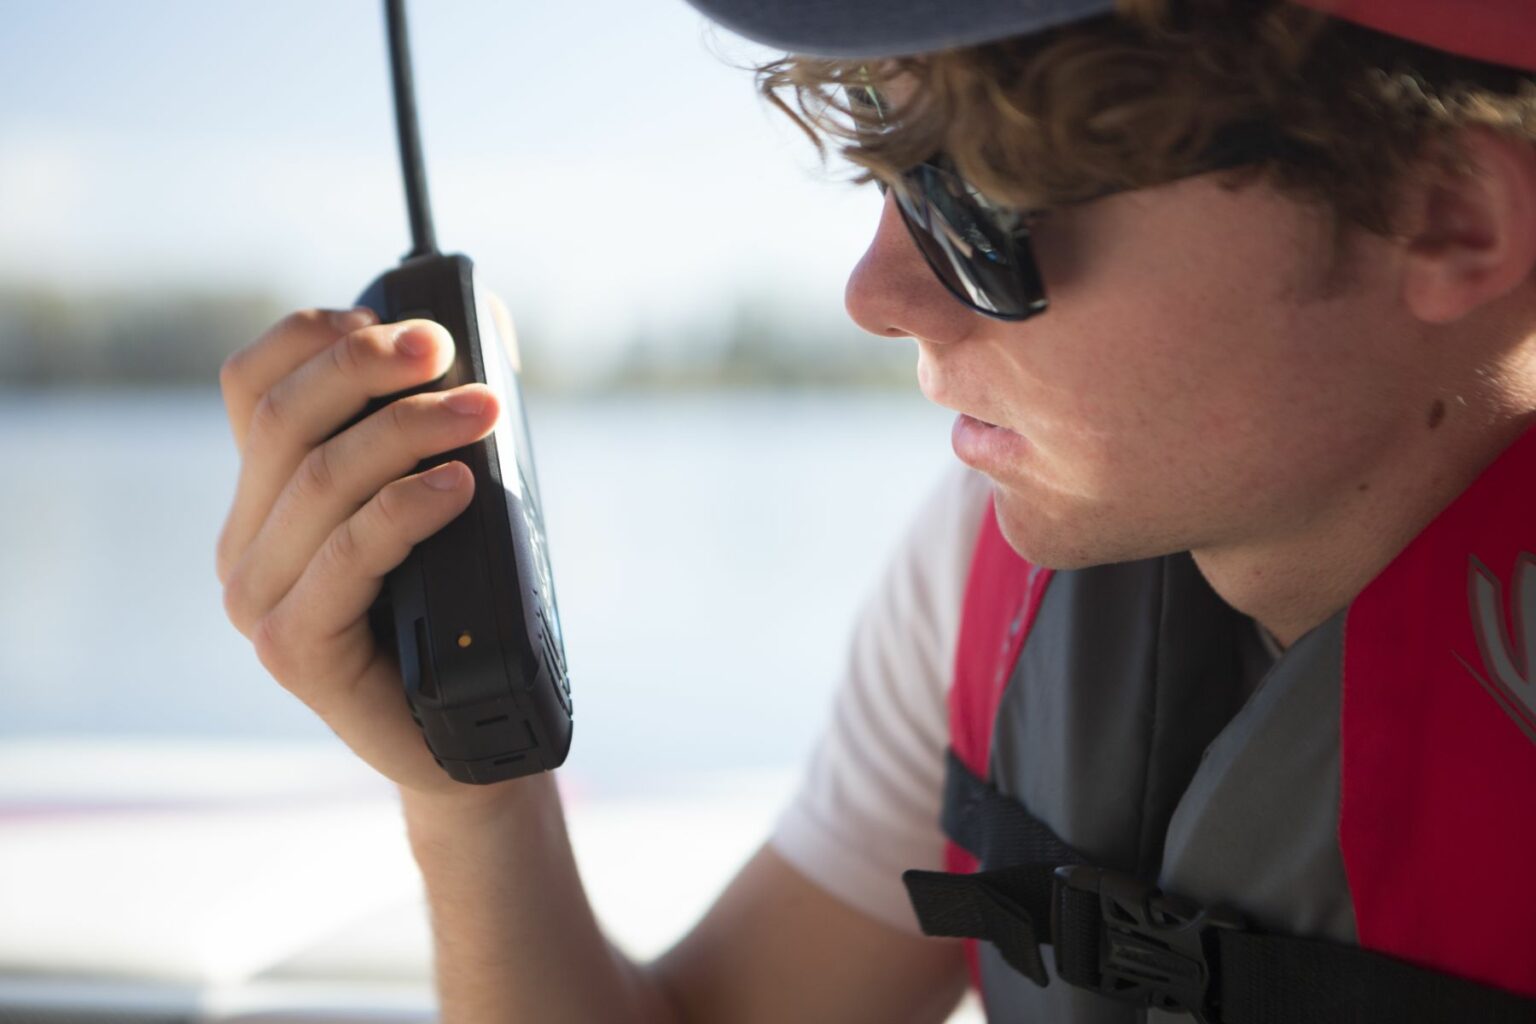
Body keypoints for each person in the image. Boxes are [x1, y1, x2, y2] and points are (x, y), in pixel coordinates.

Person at [214, 0, 1536, 1020]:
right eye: (892, 176)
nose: (875, 291)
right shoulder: (982, 565)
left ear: (1445, 222)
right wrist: (471, 794)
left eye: (983, 201)